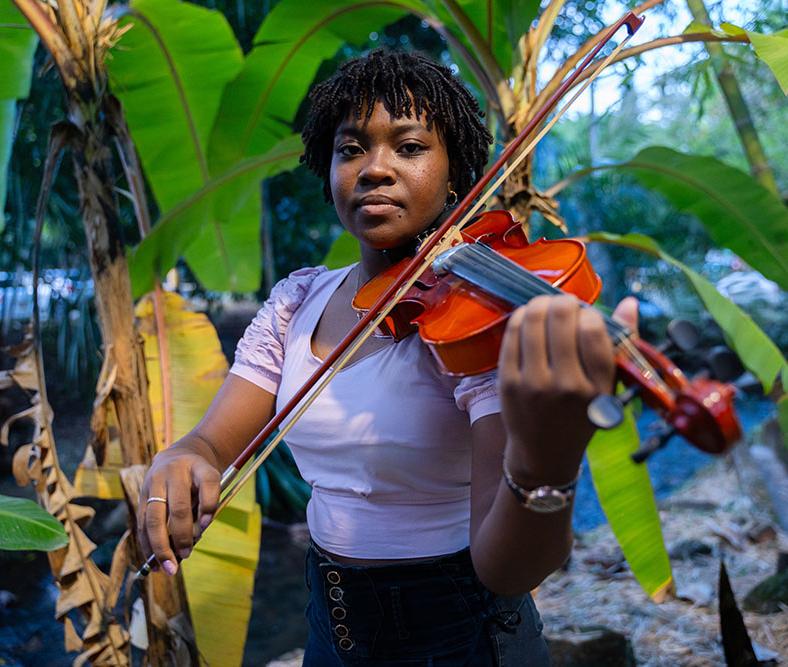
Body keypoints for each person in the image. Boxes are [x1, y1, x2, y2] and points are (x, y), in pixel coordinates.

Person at [138, 48, 637, 665]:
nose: (375, 169)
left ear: (457, 173)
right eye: (351, 150)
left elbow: (508, 569)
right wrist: (185, 454)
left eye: (409, 147)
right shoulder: (299, 301)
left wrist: (548, 461)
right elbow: (214, 443)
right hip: (330, 627)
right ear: (327, 171)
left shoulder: (478, 325)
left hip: (464, 640)